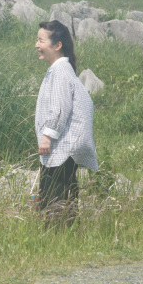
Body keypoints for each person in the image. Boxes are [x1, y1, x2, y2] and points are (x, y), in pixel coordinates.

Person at [34, 20, 98, 224]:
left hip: (60, 149)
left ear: (57, 45)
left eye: (41, 40)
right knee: (62, 194)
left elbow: (60, 108)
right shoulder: (60, 69)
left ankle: (59, 236)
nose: (37, 45)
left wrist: (47, 136)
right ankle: (64, 236)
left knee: (56, 196)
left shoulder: (61, 72)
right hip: (61, 149)